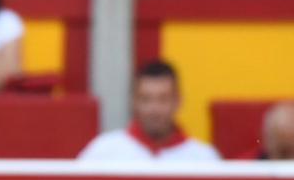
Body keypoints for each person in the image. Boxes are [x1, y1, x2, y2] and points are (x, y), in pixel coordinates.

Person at [77, 59, 221, 163]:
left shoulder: (203, 158)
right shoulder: (103, 151)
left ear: (178, 101)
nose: (154, 108)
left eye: (163, 99)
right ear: (134, 101)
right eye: (146, 99)